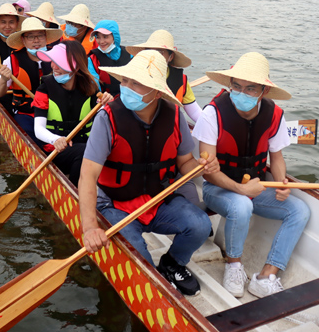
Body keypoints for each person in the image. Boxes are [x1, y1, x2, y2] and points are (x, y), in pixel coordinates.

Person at [79, 51, 218, 296]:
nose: (127, 88)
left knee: (200, 224)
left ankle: (172, 263)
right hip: (115, 204)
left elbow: (185, 162)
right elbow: (88, 175)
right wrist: (90, 227)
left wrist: (202, 167)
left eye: (136, 83)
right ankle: (151, 277)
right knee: (141, 264)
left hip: (158, 200)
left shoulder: (174, 116)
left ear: (156, 91)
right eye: (125, 81)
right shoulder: (107, 117)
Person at [194, 52, 310, 299]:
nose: (240, 93)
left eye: (250, 88)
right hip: (218, 189)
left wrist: (281, 183)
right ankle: (234, 265)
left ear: (263, 92)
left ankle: (267, 275)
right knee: (242, 205)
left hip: (255, 187)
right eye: (236, 86)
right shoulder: (212, 114)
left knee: (299, 210)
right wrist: (241, 190)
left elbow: (276, 158)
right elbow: (208, 172)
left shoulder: (274, 115)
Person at [30, 41, 101, 185]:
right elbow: (38, 129)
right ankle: (76, 192)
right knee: (83, 153)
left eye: (59, 62)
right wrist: (56, 139)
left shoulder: (91, 88)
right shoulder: (44, 89)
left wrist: (107, 105)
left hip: (86, 146)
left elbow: (104, 119)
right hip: (56, 151)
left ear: (76, 66)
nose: (53, 66)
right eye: (53, 61)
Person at [0, 18, 61, 140]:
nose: (36, 40)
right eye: (30, 37)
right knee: (30, 135)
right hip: (26, 113)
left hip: (54, 112)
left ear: (46, 38)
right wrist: (3, 79)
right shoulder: (11, 61)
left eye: (40, 36)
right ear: (23, 40)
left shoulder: (57, 58)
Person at [127, 30, 202, 123]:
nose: (153, 56)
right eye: (149, 51)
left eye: (159, 52)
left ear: (171, 57)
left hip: (169, 130)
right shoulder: (132, 76)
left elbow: (195, 112)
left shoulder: (181, 80)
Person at [87, 20, 132, 96]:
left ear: (114, 36)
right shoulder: (92, 60)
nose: (101, 41)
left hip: (129, 98)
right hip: (106, 101)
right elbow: (95, 87)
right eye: (98, 37)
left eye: (105, 37)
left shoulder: (130, 55)